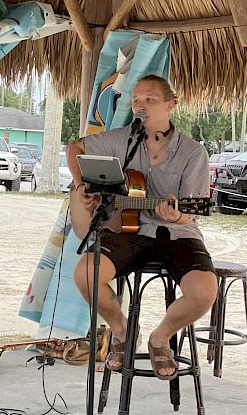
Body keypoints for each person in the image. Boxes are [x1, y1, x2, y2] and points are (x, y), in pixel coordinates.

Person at [66, 74, 218, 380]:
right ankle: (122, 330)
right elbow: (74, 148)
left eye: (150, 99)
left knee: (204, 291)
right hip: (125, 229)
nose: (141, 105)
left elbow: (192, 211)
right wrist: (83, 185)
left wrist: (176, 216)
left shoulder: (192, 152)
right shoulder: (123, 138)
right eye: (137, 99)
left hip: (176, 233)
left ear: (171, 105)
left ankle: (159, 338)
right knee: (85, 273)